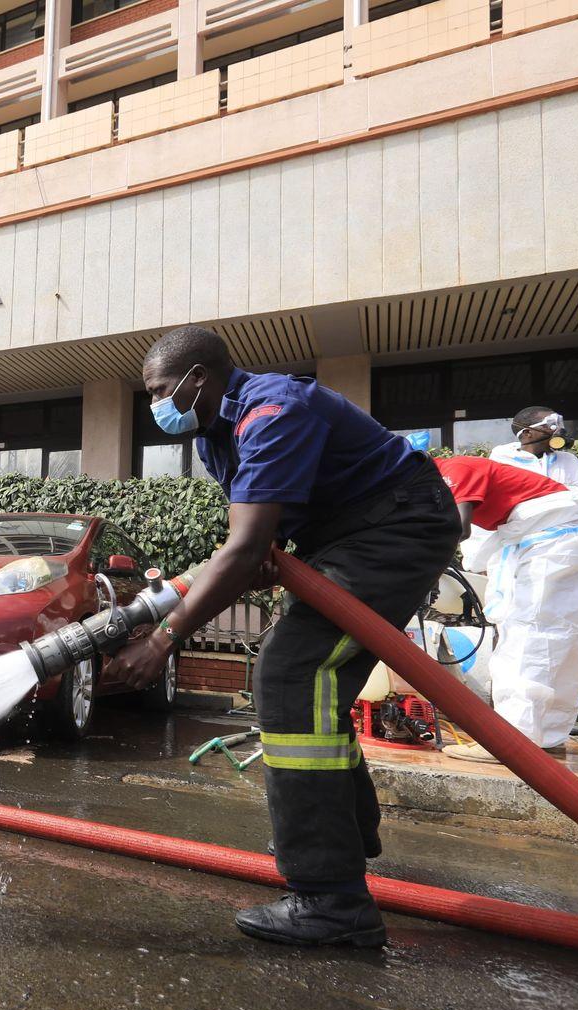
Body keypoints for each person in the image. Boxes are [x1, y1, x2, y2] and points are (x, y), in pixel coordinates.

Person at [104, 325, 459, 949]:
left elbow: (244, 550)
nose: (155, 406)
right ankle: (344, 831)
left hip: (394, 528)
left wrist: (163, 641)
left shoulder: (272, 412)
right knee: (306, 682)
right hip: (345, 538)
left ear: (199, 379)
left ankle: (332, 899)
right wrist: (255, 550)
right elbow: (256, 540)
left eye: (161, 391)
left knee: (292, 673)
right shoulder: (219, 435)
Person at [434, 456, 578, 762]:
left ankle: (512, 740)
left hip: (555, 536)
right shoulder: (455, 473)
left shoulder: (453, 469)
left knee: (528, 632)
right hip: (567, 533)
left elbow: (458, 527)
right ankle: (546, 734)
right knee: (561, 635)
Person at [489, 407, 578, 488]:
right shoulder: (502, 460)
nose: (558, 430)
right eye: (551, 425)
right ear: (527, 433)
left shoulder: (568, 460)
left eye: (558, 423)